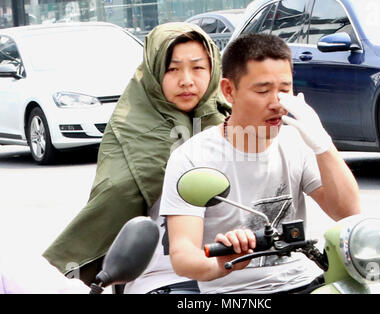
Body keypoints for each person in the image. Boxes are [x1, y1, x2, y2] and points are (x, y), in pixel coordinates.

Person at [159, 33, 361, 294]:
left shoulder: (298, 142)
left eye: (285, 90)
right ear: (229, 91)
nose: (277, 103)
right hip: (235, 293)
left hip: (304, 282)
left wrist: (323, 144)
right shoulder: (191, 157)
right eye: (263, 91)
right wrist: (223, 264)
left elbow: (347, 212)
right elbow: (183, 254)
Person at [42, 22, 231, 293]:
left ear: (213, 70)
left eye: (198, 68)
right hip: (155, 275)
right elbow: (114, 196)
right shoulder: (130, 126)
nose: (187, 80)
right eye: (172, 69)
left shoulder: (232, 122)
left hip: (231, 268)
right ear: (154, 72)